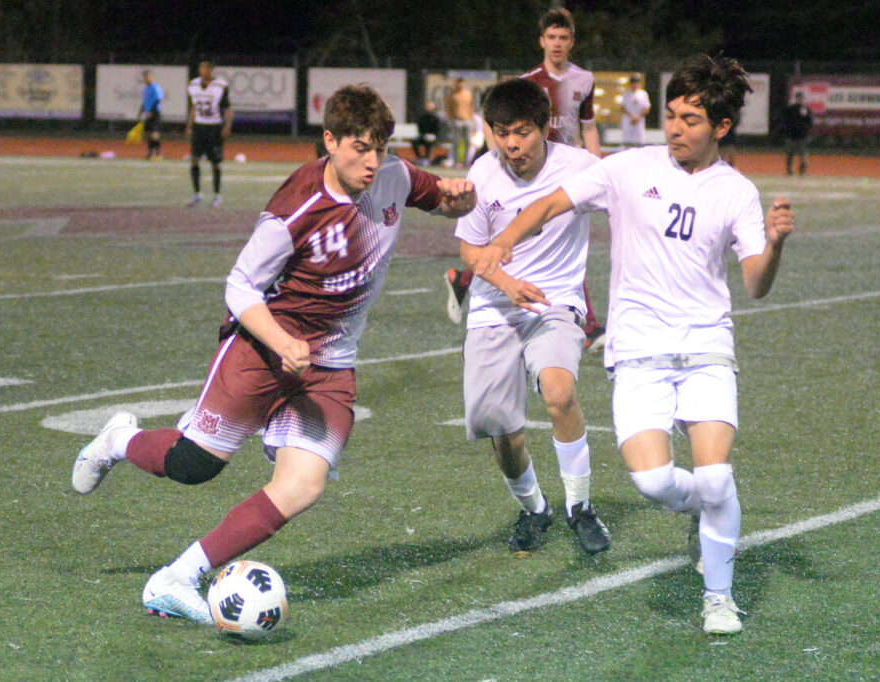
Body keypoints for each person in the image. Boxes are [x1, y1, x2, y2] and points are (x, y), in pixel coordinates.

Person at [72, 84, 476, 625]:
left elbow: (436, 195)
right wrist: (283, 341)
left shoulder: (392, 175)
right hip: (263, 349)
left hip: (330, 364)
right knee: (195, 466)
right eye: (360, 147)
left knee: (303, 484)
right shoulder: (296, 208)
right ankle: (119, 439)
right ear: (329, 141)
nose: (373, 161)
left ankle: (175, 577)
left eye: (380, 146)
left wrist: (460, 200)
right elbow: (240, 288)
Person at [471, 54, 795, 635]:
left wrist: (773, 246)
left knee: (716, 474)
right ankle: (713, 509)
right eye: (671, 116)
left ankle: (718, 596)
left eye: (691, 119)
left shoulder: (738, 192)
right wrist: (506, 243)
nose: (675, 128)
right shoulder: (626, 168)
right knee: (653, 482)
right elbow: (548, 204)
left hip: (705, 347)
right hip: (639, 351)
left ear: (720, 127)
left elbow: (755, 284)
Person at [456, 77, 610, 556]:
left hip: (556, 302)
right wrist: (506, 284)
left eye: (521, 131)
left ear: (544, 127)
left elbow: (628, 203)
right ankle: (535, 510)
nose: (511, 143)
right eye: (501, 132)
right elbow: (469, 248)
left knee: (559, 392)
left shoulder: (581, 169)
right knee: (500, 430)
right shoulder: (483, 172)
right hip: (493, 306)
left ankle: (580, 508)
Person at [445, 7, 605, 352]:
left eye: (564, 38)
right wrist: (499, 160)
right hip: (524, 172)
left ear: (572, 41)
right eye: (551, 37)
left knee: (560, 247)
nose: (557, 44)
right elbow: (497, 121)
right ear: (542, 41)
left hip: (565, 174)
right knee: (521, 248)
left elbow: (588, 126)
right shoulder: (528, 83)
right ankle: (585, 323)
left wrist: (597, 168)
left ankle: (465, 279)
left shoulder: (584, 80)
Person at [185, 61, 232, 208]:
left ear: (211, 70)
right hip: (199, 127)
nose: (202, 70)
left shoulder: (220, 86)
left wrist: (227, 125)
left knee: (215, 163)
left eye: (205, 68)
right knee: (194, 160)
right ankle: (197, 193)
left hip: (214, 127)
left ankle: (217, 195)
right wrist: (190, 125)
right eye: (201, 67)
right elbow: (193, 107)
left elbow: (227, 108)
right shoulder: (193, 85)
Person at [446, 78, 476, 168]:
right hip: (457, 120)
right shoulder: (452, 95)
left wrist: (471, 119)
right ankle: (456, 162)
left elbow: (471, 107)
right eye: (458, 83)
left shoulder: (468, 94)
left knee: (467, 142)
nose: (460, 85)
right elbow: (448, 108)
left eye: (462, 83)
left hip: (467, 121)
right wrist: (452, 118)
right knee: (456, 142)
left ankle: (466, 162)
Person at [784, 91, 813, 176]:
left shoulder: (806, 109)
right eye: (798, 98)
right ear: (796, 99)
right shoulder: (791, 109)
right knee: (790, 155)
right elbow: (786, 121)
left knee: (803, 156)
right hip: (792, 136)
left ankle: (802, 172)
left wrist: (806, 130)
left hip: (803, 136)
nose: (800, 100)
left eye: (801, 98)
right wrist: (787, 132)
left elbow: (810, 122)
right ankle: (789, 171)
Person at [620, 74, 651, 149]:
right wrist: (632, 117)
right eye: (633, 83)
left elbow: (646, 108)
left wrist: (638, 117)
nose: (634, 85)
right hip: (628, 120)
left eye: (636, 83)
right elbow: (622, 108)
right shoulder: (626, 94)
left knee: (640, 140)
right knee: (627, 139)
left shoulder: (643, 94)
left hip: (639, 121)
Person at [139, 70, 164, 161]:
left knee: (155, 134)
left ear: (152, 77)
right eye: (145, 77)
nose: (146, 79)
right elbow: (145, 102)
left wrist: (151, 112)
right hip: (147, 113)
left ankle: (158, 152)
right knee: (148, 134)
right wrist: (141, 112)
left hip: (155, 113)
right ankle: (150, 152)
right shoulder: (146, 89)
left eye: (148, 76)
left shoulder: (155, 87)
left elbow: (158, 100)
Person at [412, 99, 442, 166]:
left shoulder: (436, 118)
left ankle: (427, 158)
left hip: (433, 136)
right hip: (424, 135)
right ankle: (419, 157)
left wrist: (433, 135)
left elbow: (438, 129)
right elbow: (420, 127)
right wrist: (423, 134)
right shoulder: (423, 117)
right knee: (415, 141)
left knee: (428, 142)